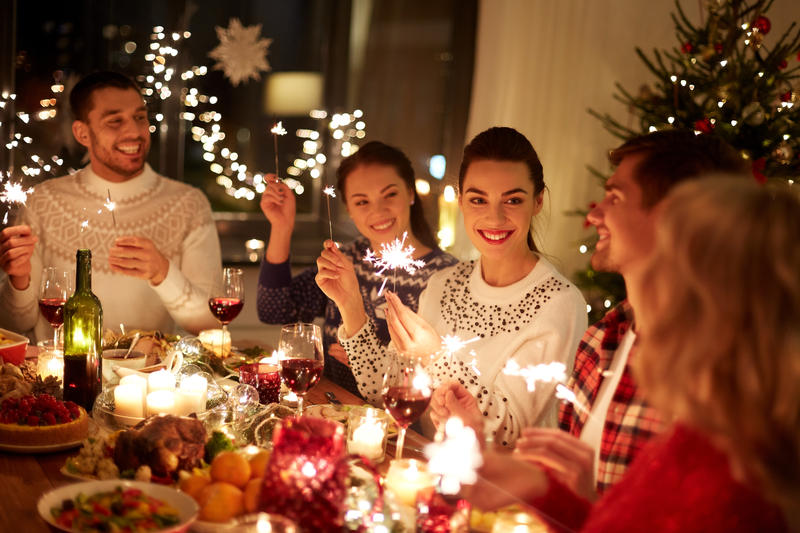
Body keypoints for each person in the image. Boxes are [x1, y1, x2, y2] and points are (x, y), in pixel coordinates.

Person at [430, 128, 750, 498]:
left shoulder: (725, 371)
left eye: (615, 197)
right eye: (478, 199)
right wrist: (479, 437)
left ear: (675, 217)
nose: (594, 213)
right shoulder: (602, 341)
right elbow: (579, 502)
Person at [467, 178, 798, 533]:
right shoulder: (703, 434)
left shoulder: (723, 479)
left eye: (661, 265)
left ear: (717, 305)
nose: (644, 288)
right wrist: (544, 489)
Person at [318, 127, 587, 446]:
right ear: (461, 200)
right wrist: (351, 306)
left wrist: (436, 357)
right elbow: (385, 391)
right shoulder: (445, 282)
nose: (495, 217)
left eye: (513, 199)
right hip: (427, 468)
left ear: (538, 200)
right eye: (478, 199)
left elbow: (509, 435)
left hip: (495, 487)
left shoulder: (559, 302)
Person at [0, 71, 222, 339]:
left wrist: (163, 274)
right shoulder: (43, 202)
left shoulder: (188, 204)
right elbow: (13, 326)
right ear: (82, 133)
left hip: (149, 377)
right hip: (59, 377)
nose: (134, 132)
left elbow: (211, 323)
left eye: (140, 117)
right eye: (115, 121)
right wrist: (19, 281)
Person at [256, 141, 457, 397]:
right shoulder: (345, 260)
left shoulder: (446, 276)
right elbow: (274, 310)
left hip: (398, 424)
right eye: (362, 202)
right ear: (348, 209)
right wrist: (282, 227)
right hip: (331, 410)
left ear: (410, 193)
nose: (378, 210)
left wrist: (370, 362)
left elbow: (446, 375)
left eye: (390, 195)